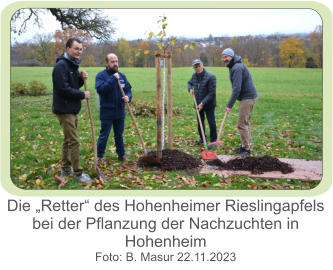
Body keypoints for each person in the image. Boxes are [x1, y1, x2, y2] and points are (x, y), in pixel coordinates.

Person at [52, 38, 93, 183]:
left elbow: (73, 85)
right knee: (74, 141)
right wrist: (82, 95)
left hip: (72, 109)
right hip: (64, 109)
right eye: (76, 48)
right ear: (68, 48)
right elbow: (63, 89)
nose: (79, 51)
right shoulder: (61, 66)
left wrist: (81, 79)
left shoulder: (72, 65)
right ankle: (78, 173)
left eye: (81, 49)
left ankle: (65, 168)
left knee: (68, 140)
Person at [95, 53, 132, 162]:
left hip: (120, 110)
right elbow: (101, 90)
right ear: (106, 63)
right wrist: (112, 79)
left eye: (116, 61)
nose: (115, 64)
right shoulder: (101, 76)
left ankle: (121, 154)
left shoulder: (122, 76)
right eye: (112, 62)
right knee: (104, 135)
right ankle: (99, 156)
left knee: (119, 135)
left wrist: (128, 97)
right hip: (107, 111)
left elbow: (128, 90)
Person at [221, 48, 258, 156]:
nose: (224, 59)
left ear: (232, 56)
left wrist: (229, 105)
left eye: (226, 56)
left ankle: (246, 149)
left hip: (248, 97)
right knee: (244, 123)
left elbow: (237, 89)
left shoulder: (236, 67)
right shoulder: (234, 65)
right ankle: (245, 146)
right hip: (246, 97)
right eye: (223, 57)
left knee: (241, 124)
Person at [187, 59, 217, 145]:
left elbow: (211, 93)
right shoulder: (194, 76)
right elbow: (189, 83)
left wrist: (203, 103)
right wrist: (190, 89)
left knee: (211, 122)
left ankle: (213, 140)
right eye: (195, 66)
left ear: (202, 65)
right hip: (197, 103)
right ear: (193, 67)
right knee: (200, 121)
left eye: (199, 65)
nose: (197, 68)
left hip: (209, 104)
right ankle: (202, 139)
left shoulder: (211, 77)